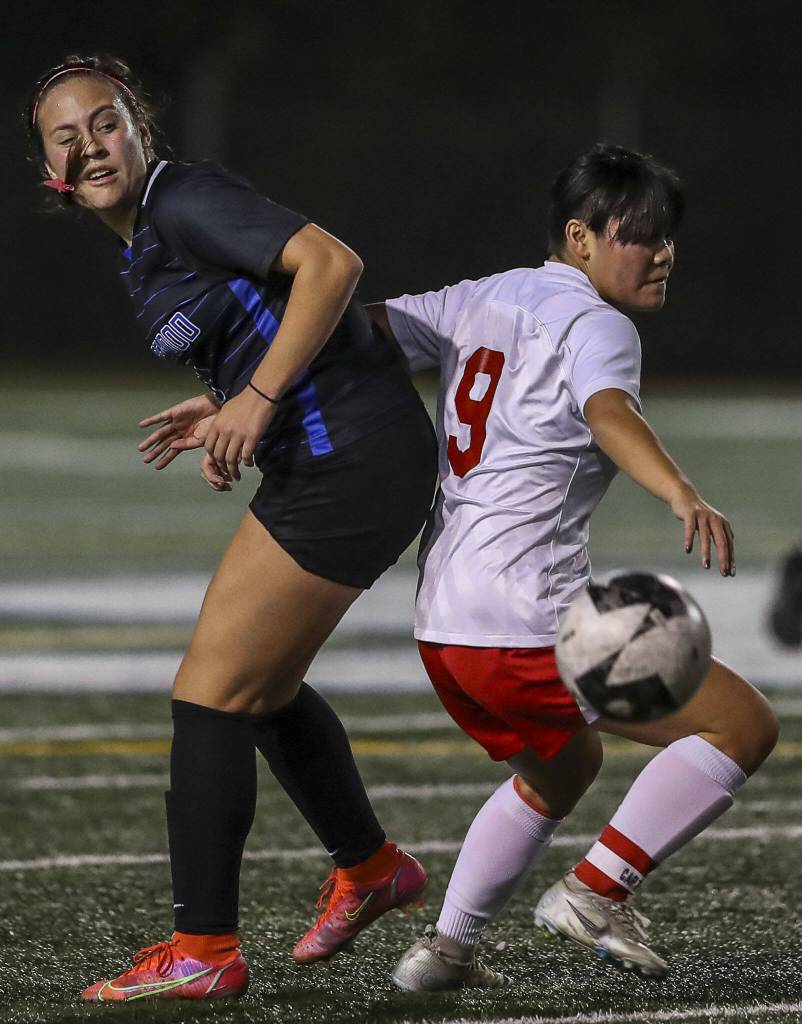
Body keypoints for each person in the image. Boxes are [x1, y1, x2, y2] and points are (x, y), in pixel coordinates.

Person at [25, 54, 437, 1002]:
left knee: (212, 696)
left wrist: (255, 395)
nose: (90, 145)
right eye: (67, 137)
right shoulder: (146, 238)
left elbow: (330, 265)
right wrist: (222, 401)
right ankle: (371, 869)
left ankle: (203, 950)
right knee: (262, 683)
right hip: (336, 455)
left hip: (353, 459)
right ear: (50, 170)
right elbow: (257, 310)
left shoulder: (180, 201)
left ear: (139, 131)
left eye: (105, 123)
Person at [365, 144, 779, 991]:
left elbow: (355, 328)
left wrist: (247, 388)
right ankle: (596, 892)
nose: (662, 253)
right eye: (642, 236)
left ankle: (444, 952)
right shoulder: (598, 321)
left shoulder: (477, 296)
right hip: (525, 619)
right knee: (743, 725)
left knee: (565, 768)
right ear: (580, 237)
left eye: (670, 237)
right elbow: (607, 409)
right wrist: (679, 489)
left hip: (444, 625)